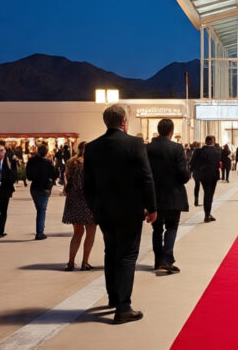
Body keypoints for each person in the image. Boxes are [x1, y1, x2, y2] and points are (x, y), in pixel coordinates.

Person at [83, 104, 157, 323]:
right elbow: (146, 177)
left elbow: (87, 184)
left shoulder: (92, 147)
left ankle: (113, 297)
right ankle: (123, 307)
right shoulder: (134, 143)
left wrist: (94, 207)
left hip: (104, 211)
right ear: (124, 121)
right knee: (127, 255)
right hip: (129, 209)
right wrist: (152, 207)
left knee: (110, 252)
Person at [146, 118, 190, 274]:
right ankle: (166, 259)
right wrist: (187, 175)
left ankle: (158, 260)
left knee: (157, 229)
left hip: (154, 196)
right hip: (173, 195)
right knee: (171, 227)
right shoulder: (176, 148)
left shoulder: (147, 148)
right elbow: (183, 174)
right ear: (171, 132)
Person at [62, 141, 97, 271]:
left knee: (77, 233)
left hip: (73, 201)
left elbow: (66, 180)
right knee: (90, 232)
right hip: (87, 202)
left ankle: (71, 262)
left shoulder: (71, 163)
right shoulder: (90, 164)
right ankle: (85, 262)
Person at [26, 145, 58, 240]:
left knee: (39, 209)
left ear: (37, 151)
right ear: (46, 153)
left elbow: (29, 176)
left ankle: (41, 226)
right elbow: (54, 174)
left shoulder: (31, 161)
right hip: (44, 188)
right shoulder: (48, 163)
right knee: (41, 210)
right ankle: (39, 232)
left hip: (34, 188)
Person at [192, 135, 221, 222]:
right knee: (209, 195)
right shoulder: (217, 151)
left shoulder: (199, 151)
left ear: (205, 141)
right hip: (213, 176)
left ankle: (208, 213)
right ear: (213, 142)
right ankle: (207, 215)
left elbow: (192, 163)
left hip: (203, 176)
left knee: (207, 194)